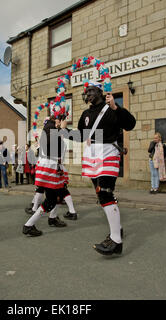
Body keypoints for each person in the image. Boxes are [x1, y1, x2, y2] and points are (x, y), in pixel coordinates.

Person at [60, 81, 136, 255]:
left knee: (105, 193)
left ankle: (116, 241)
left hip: (108, 153)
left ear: (101, 92)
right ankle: (118, 228)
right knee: (102, 194)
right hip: (92, 155)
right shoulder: (86, 113)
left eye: (92, 90)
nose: (88, 94)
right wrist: (65, 131)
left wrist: (116, 108)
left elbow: (130, 124)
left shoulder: (111, 109)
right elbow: (81, 135)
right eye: (86, 92)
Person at [22, 114, 69, 237]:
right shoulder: (50, 127)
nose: (62, 122)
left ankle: (53, 218)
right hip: (49, 166)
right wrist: (61, 130)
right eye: (61, 120)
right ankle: (29, 225)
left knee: (59, 194)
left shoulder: (51, 128)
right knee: (52, 199)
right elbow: (48, 144)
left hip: (52, 166)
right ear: (56, 120)